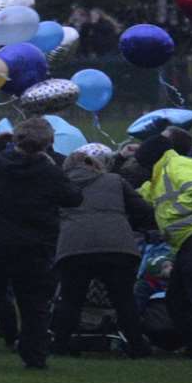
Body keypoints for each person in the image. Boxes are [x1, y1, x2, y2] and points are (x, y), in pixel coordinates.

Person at [0, 117, 80, 369]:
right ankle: (34, 355)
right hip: (34, 247)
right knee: (34, 305)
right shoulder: (49, 172)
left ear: (15, 139)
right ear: (47, 144)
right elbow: (73, 197)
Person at [51, 148, 152, 357]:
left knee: (70, 299)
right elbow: (142, 209)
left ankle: (60, 345)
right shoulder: (115, 181)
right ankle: (137, 345)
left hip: (74, 246)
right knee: (123, 299)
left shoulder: (59, 186)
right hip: (117, 245)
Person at [135, 132, 192, 359]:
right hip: (189, 241)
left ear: (152, 159)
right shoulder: (160, 175)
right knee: (177, 300)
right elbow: (143, 194)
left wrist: (171, 214)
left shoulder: (179, 164)